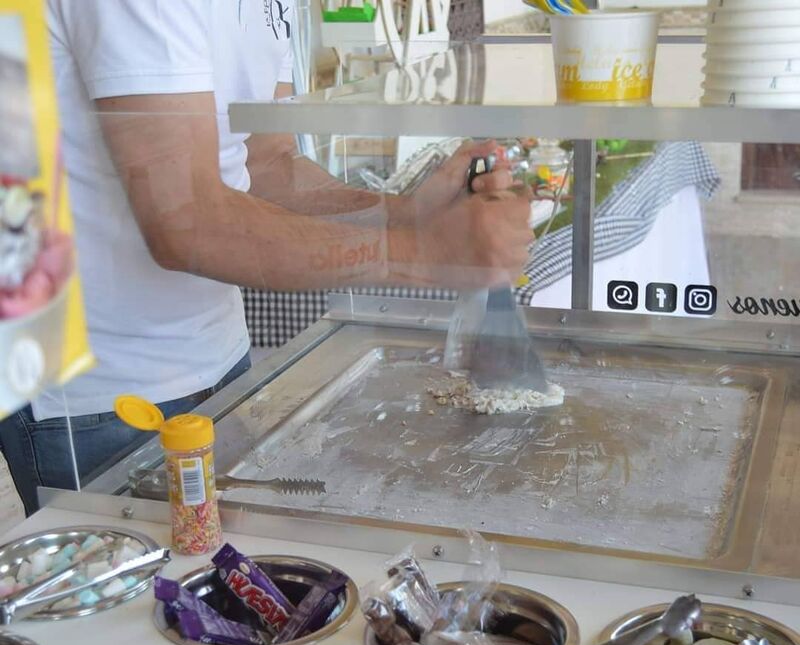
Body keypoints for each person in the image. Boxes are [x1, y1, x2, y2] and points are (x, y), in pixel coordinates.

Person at [0, 0, 533, 516]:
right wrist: (430, 253)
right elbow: (187, 225)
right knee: (138, 602)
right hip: (96, 392)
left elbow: (269, 163)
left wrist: (407, 216)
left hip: (217, 355)